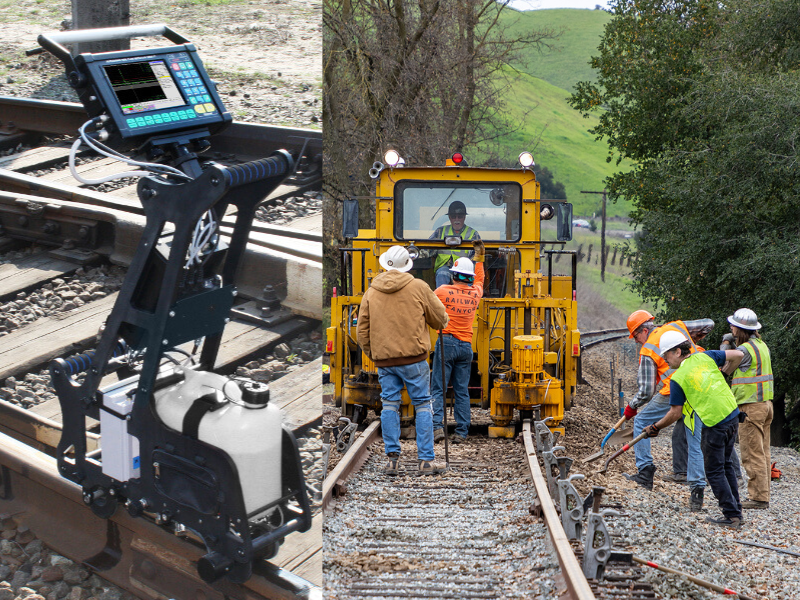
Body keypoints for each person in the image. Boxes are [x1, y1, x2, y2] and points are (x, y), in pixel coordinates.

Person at [356, 245, 449, 476]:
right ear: (408, 265)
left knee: (389, 405)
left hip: (386, 362)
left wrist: (377, 353)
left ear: (385, 264)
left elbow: (362, 333)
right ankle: (426, 461)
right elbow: (440, 320)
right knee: (423, 405)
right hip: (415, 360)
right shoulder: (418, 287)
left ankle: (393, 461)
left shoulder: (371, 292)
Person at [643, 330, 744, 528]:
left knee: (714, 471)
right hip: (732, 414)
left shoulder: (678, 378)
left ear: (679, 352)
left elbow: (675, 413)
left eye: (667, 355)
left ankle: (731, 516)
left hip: (715, 422)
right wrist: (725, 373)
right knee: (725, 465)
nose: (665, 359)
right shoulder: (705, 357)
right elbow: (738, 355)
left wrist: (655, 427)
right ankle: (736, 513)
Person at [615, 310, 713, 512]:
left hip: (674, 390)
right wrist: (692, 340)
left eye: (635, 336)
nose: (636, 342)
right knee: (693, 437)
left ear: (644, 330)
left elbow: (646, 392)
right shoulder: (676, 327)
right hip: (699, 385)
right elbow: (708, 323)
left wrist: (632, 407)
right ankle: (697, 491)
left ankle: (645, 473)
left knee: (641, 421)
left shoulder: (648, 351)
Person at [431, 241, 485, 444]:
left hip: (446, 344)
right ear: (468, 277)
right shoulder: (475, 293)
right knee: (461, 391)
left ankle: (437, 427)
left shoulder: (443, 291)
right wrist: (479, 260)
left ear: (453, 275)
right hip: (466, 347)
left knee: (438, 388)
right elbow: (480, 279)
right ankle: (462, 432)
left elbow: (425, 304)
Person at [721, 308, 774, 510]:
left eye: (733, 325)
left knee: (752, 453)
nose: (731, 327)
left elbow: (725, 368)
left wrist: (725, 344)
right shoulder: (761, 346)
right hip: (766, 404)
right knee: (763, 452)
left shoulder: (743, 351)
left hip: (751, 405)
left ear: (741, 329)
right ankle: (763, 493)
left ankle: (758, 498)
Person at [430, 201, 480, 288]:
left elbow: (477, 256)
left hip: (464, 269)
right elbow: (428, 248)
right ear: (449, 218)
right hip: (445, 267)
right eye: (453, 217)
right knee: (442, 274)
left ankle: (467, 299)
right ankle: (441, 300)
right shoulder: (440, 232)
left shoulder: (473, 234)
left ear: (464, 217)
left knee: (467, 278)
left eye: (460, 217)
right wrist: (413, 253)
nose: (456, 220)